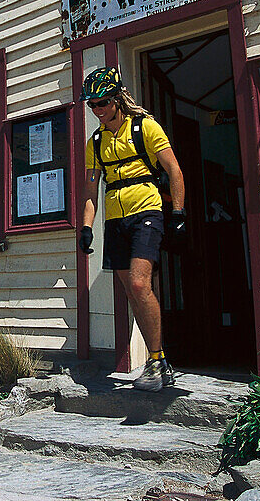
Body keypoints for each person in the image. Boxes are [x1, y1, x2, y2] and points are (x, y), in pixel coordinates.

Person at [78, 66, 187, 392]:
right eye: (91, 105)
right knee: (131, 293)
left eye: (101, 103)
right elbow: (90, 191)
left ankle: (157, 360)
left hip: (146, 212)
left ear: (117, 99)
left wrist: (178, 212)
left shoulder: (145, 127)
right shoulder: (95, 142)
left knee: (140, 284)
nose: (96, 110)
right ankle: (160, 360)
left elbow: (174, 169)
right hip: (115, 220)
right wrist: (86, 228)